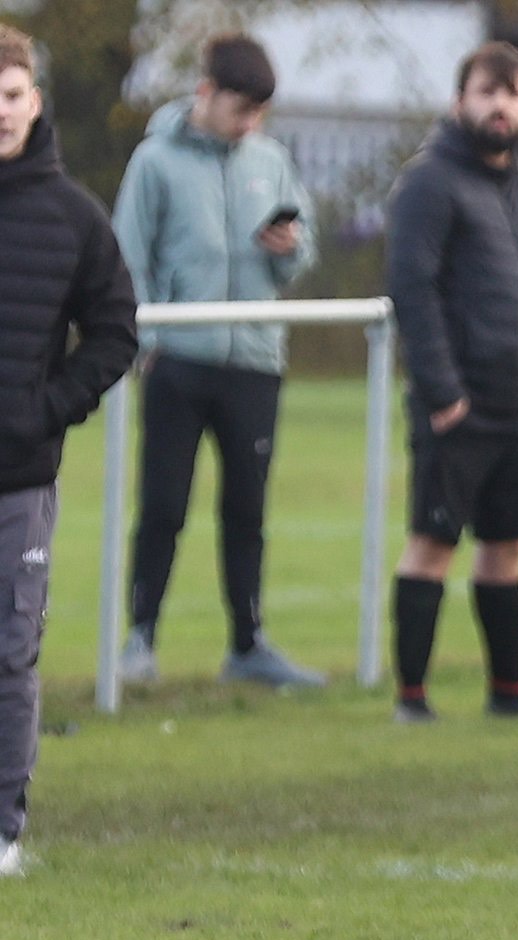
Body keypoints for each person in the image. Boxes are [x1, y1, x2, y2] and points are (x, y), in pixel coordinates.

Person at [383, 42, 518, 723]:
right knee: (434, 543)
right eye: (485, 91)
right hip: (460, 410)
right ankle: (411, 697)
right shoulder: (427, 184)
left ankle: (508, 691)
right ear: (459, 101)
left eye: (513, 93)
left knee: (506, 549)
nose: (499, 105)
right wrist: (442, 394)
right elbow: (413, 291)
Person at [111, 33, 323, 688]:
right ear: (206, 94)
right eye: (241, 109)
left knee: (246, 511)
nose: (250, 124)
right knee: (164, 505)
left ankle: (248, 644)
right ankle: (139, 640)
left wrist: (287, 245)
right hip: (179, 360)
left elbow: (301, 255)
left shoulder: (271, 159)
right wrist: (147, 344)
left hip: (255, 361)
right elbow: (130, 258)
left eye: (260, 111)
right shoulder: (154, 162)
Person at [0, 23, 140, 875]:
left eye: (9, 97)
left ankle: (3, 829)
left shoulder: (73, 215)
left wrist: (43, 412)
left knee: (8, 652)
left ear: (34, 100)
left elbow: (115, 332)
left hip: (17, 479)